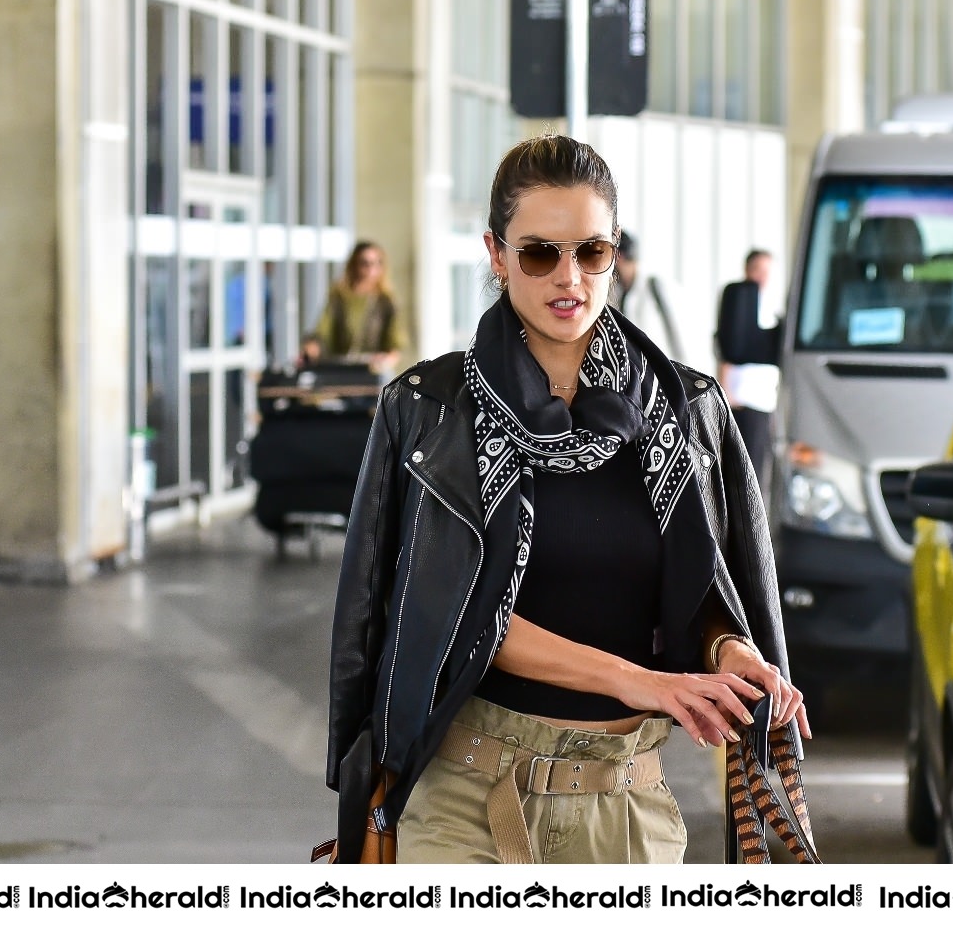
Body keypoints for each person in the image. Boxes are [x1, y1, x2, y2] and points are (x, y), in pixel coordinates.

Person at [327, 134, 809, 865]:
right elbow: (438, 613)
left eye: (591, 252)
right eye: (538, 252)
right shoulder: (429, 410)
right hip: (465, 793)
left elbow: (702, 584)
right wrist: (640, 680)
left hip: (624, 803)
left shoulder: (687, 412)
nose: (569, 276)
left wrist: (729, 646)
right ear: (495, 254)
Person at [715, 249, 781, 486]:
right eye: (758, 270)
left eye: (766, 272)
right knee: (742, 472)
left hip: (765, 402)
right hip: (741, 400)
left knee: (761, 470)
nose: (762, 277)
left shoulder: (771, 305)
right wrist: (726, 396)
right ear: (747, 270)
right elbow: (726, 351)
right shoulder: (740, 302)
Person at [304, 241, 408, 378]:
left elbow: (395, 343)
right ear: (354, 265)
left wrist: (385, 360)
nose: (371, 270)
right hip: (343, 370)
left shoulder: (386, 301)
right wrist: (312, 347)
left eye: (377, 263)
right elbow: (324, 328)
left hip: (373, 372)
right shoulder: (339, 296)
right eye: (365, 263)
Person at [611, 229, 703, 369]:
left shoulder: (657, 286)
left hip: (664, 376)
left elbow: (680, 337)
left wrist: (687, 378)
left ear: (619, 255)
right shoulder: (614, 291)